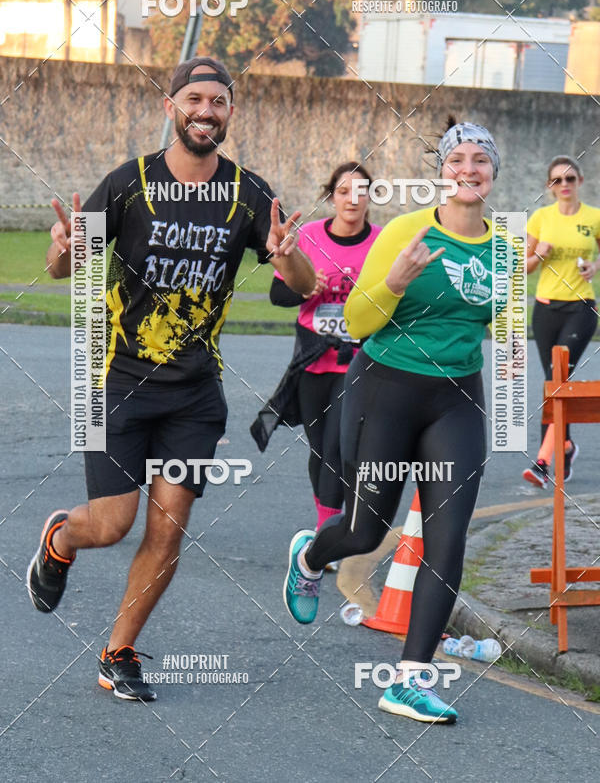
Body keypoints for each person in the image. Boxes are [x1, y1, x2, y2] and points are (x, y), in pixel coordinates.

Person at [27, 57, 315, 702]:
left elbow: (303, 286)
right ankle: (60, 537)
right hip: (113, 381)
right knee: (111, 525)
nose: (205, 111)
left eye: (218, 101)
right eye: (194, 99)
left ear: (230, 113)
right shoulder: (128, 184)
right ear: (171, 107)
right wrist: (67, 246)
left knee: (168, 528)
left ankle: (119, 650)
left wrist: (291, 260)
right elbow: (59, 269)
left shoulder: (249, 194)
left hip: (194, 394)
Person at [283, 119, 505, 724]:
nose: (468, 168)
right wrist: (396, 281)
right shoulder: (408, 230)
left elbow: (493, 326)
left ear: (493, 175)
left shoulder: (504, 247)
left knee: (447, 535)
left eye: (480, 160)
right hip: (385, 388)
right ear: (441, 173)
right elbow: (356, 321)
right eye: (457, 158)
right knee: (364, 530)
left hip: (457, 396)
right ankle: (310, 558)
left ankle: (410, 679)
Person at [264, 164, 381, 557]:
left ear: (370, 197)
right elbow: (277, 296)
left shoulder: (383, 242)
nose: (352, 198)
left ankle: (328, 536)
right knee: (320, 450)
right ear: (332, 196)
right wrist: (305, 288)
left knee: (339, 447)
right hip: (314, 363)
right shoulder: (308, 237)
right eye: (344, 190)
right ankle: (335, 521)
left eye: (361, 190)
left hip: (361, 364)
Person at [523, 156, 600, 487]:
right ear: (549, 186)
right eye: (557, 180)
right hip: (545, 310)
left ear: (580, 181)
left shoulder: (594, 217)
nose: (564, 185)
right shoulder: (541, 218)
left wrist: (594, 268)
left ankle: (543, 461)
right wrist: (539, 254)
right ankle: (564, 446)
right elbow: (523, 267)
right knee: (553, 383)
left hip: (581, 308)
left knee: (559, 377)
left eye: (570, 178)